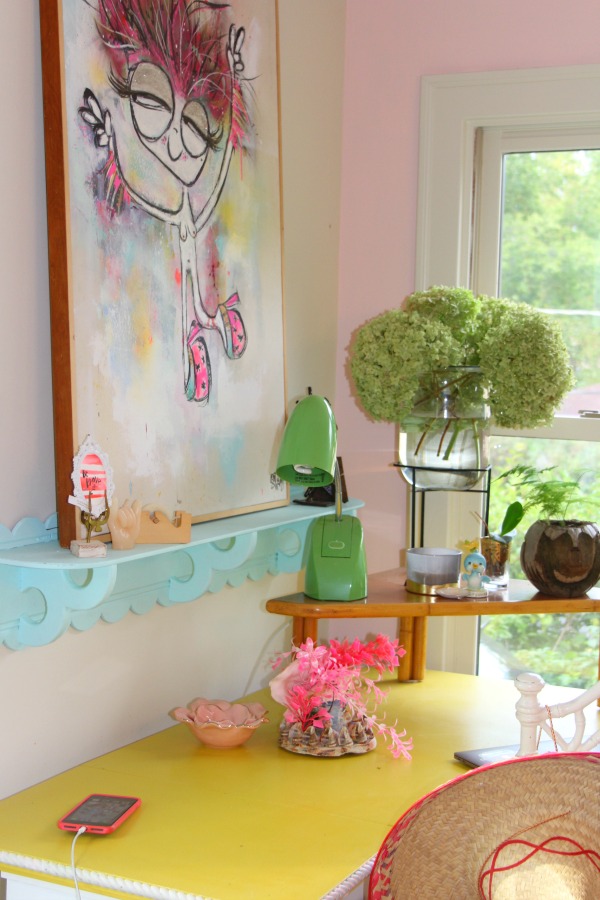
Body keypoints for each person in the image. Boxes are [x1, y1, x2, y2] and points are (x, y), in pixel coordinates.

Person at [79, 0, 249, 404]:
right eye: (153, 105)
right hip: (184, 265)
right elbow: (138, 195)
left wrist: (236, 79)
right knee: (197, 311)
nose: (175, 144)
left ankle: (213, 325)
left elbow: (223, 160)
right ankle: (206, 330)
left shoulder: (194, 201)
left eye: (194, 126)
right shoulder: (173, 201)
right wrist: (110, 146)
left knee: (201, 310)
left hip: (190, 256)